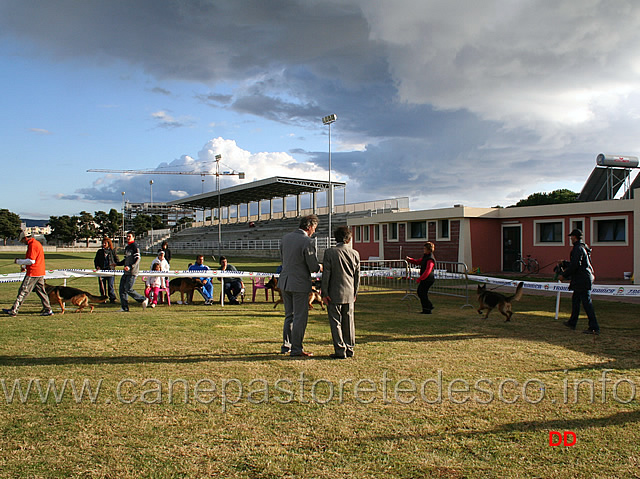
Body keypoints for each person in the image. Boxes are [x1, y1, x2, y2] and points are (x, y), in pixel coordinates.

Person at [279, 214, 323, 357]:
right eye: (314, 228)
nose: (314, 232)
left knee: (289, 316)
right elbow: (312, 266)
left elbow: (283, 258)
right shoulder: (307, 241)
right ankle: (297, 349)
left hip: (285, 281)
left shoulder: (285, 239)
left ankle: (287, 345)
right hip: (299, 284)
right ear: (309, 227)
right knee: (299, 317)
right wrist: (319, 267)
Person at [321, 226, 360, 359]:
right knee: (349, 322)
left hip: (333, 293)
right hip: (349, 292)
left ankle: (340, 349)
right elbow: (357, 276)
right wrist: (355, 292)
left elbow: (326, 274)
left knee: (335, 322)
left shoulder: (330, 253)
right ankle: (350, 348)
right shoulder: (355, 253)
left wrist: (324, 292)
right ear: (348, 239)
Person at [2, 231, 54, 317]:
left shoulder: (32, 245)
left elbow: (31, 261)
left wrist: (18, 261)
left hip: (33, 272)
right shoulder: (36, 243)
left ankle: (14, 310)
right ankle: (48, 309)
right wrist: (25, 266)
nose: (22, 242)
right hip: (40, 272)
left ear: (25, 238)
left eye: (22, 240)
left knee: (23, 291)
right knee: (41, 292)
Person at [560, 229, 600, 334]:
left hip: (582, 279)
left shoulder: (577, 248)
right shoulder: (583, 247)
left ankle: (594, 327)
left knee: (587, 303)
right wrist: (564, 263)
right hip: (583, 278)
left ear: (575, 237)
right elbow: (578, 264)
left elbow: (575, 265)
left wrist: (564, 275)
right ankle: (572, 322)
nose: (570, 238)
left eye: (571, 237)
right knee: (576, 301)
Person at [116, 231, 148, 312]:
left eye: (129, 236)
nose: (127, 238)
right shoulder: (127, 247)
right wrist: (117, 264)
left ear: (133, 237)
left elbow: (137, 259)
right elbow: (126, 259)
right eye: (127, 236)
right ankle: (124, 307)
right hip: (126, 272)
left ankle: (143, 299)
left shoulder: (135, 246)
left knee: (128, 288)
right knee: (122, 289)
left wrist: (130, 267)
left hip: (132, 272)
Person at [406, 241, 437, 314]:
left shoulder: (430, 259)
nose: (424, 250)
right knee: (421, 292)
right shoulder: (425, 257)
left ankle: (428, 307)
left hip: (428, 279)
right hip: (425, 278)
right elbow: (418, 261)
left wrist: (420, 279)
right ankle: (427, 308)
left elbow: (428, 270)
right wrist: (410, 260)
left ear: (428, 249)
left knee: (421, 292)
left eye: (425, 248)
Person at [93, 237, 119, 303]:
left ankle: (112, 298)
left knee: (110, 286)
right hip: (102, 271)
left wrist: (115, 264)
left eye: (105, 243)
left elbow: (117, 260)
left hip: (110, 271)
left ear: (109, 243)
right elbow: (96, 261)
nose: (104, 244)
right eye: (103, 243)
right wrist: (97, 267)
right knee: (102, 286)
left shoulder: (112, 251)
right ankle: (103, 298)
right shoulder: (100, 252)